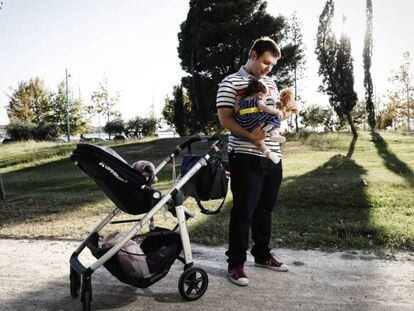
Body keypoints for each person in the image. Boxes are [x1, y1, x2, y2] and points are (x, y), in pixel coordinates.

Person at [216, 37, 299, 286]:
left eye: (272, 65)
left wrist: (288, 111)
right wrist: (251, 135)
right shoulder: (230, 82)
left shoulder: (271, 83)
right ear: (252, 55)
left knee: (265, 209)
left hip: (272, 155)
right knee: (244, 210)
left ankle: (262, 255)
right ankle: (236, 264)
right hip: (244, 155)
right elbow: (225, 119)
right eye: (265, 62)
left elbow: (271, 116)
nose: (268, 69)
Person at [234, 78, 297, 164]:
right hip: (256, 121)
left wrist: (238, 99)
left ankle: (268, 153)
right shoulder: (257, 100)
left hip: (244, 125)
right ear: (260, 94)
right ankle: (273, 134)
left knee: (258, 142)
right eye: (265, 97)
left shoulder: (243, 101)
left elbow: (236, 110)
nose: (265, 99)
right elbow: (265, 108)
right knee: (274, 116)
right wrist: (277, 111)